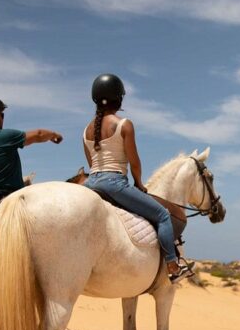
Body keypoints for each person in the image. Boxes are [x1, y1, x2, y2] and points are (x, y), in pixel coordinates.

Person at [83, 74, 194, 283]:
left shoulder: (85, 131)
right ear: (119, 98)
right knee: (162, 215)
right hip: (114, 182)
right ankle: (172, 265)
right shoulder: (124, 124)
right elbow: (134, 161)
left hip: (91, 183)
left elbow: (91, 164)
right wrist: (139, 183)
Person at [0, 94, 63, 213]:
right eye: (1, 115)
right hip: (10, 204)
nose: (2, 119)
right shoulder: (3, 137)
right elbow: (39, 134)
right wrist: (54, 135)